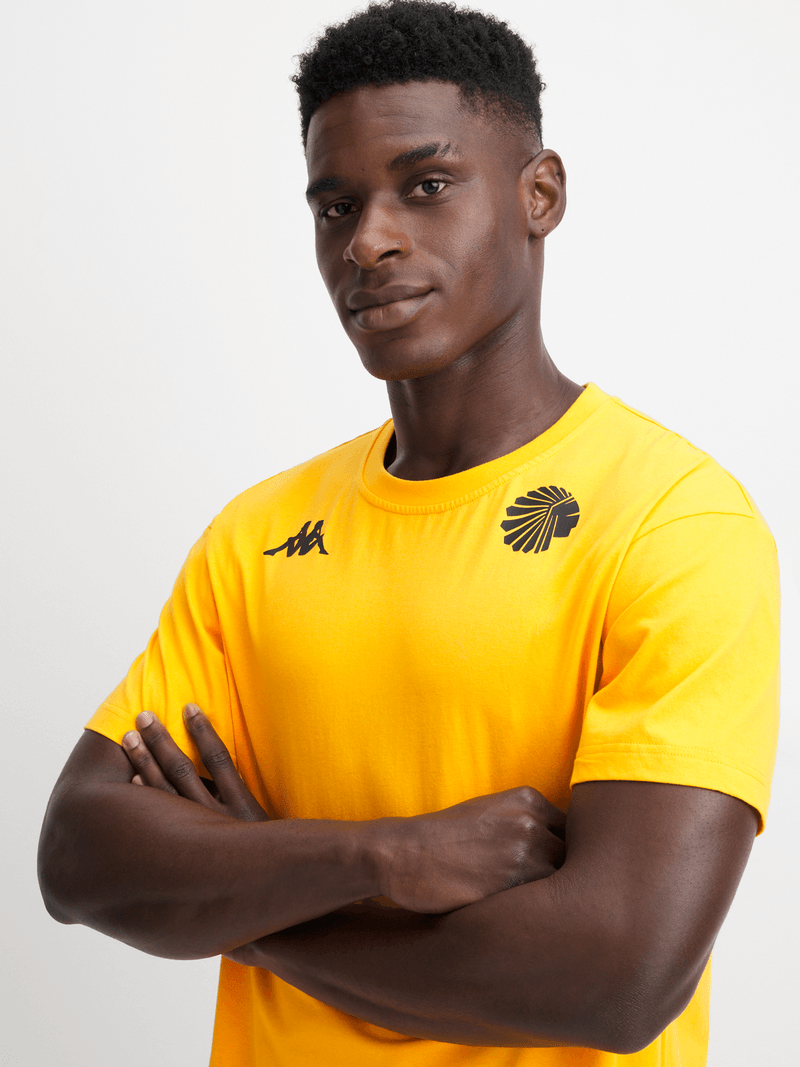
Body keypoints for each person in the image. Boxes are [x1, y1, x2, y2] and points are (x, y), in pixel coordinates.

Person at [37, 2, 780, 1064]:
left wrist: (251, 904)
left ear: (539, 194)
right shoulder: (258, 535)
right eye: (336, 205)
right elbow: (80, 856)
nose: (369, 240)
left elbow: (616, 977)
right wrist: (382, 855)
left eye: (425, 185)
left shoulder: (674, 522)